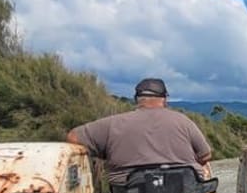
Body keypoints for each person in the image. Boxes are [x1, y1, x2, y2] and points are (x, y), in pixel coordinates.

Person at [66, 77, 212, 185]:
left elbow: (73, 137)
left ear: (137, 99)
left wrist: (105, 152)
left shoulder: (113, 123)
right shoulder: (183, 121)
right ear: (165, 99)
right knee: (205, 168)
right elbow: (205, 155)